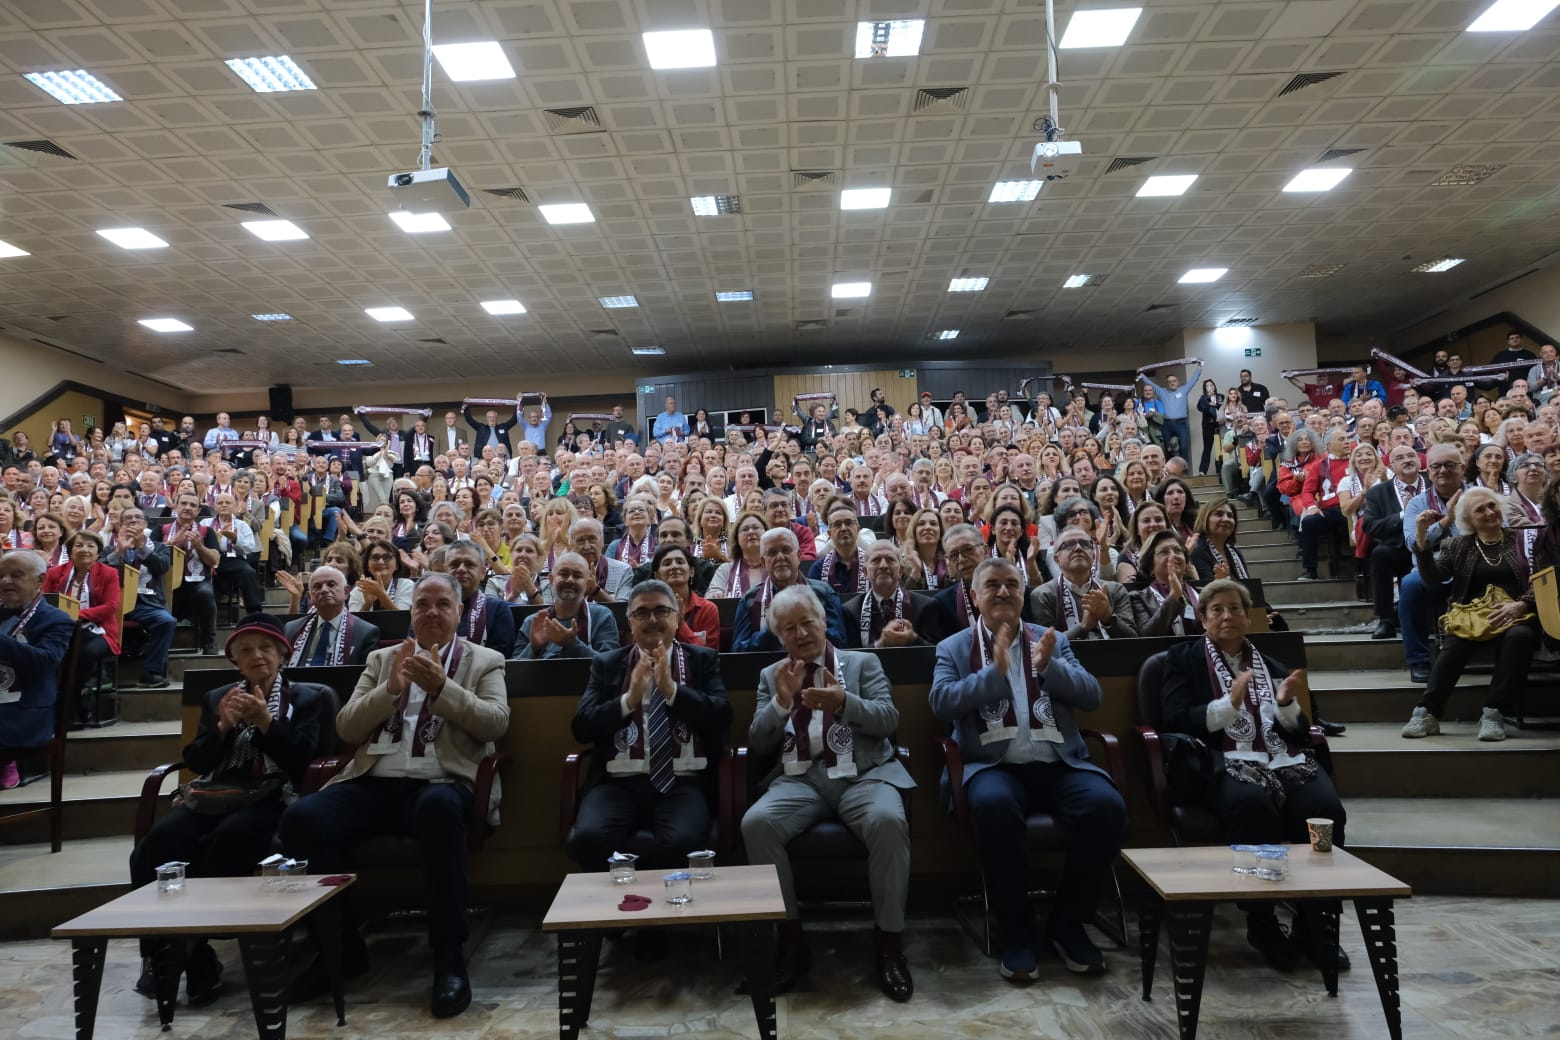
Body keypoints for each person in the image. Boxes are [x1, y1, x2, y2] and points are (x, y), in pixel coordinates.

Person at [277, 572, 510, 1019]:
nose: (432, 613)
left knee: (439, 810)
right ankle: (340, 950)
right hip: (374, 780)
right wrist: (391, 689)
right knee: (302, 819)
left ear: (459, 612)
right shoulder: (383, 659)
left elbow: (495, 723)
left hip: (442, 781)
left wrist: (442, 687)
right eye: (423, 604)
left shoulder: (485, 660)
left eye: (443, 604)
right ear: (411, 612)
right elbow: (346, 727)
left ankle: (448, 957)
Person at [930, 557, 1126, 980]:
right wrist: (994, 673)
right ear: (974, 595)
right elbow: (941, 702)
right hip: (992, 767)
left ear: (1023, 593)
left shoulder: (1049, 638)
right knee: (994, 807)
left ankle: (1067, 923)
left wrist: (1046, 666)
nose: (1003, 592)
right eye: (993, 585)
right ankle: (1017, 932)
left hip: (1059, 762)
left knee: (1107, 808)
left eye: (1012, 585)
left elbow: (1091, 696)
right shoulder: (953, 646)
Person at [127, 613, 330, 1004]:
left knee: (231, 838)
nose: (257, 657)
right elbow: (198, 762)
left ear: (283, 655)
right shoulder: (219, 697)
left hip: (272, 793)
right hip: (216, 793)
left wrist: (268, 724)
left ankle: (188, 944)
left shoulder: (309, 697)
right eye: (246, 651)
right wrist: (221, 728)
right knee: (155, 847)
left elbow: (305, 763)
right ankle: (176, 957)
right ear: (234, 661)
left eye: (267, 648)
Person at [1156, 578, 1347, 972]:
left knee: (1325, 811)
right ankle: (1262, 921)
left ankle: (1316, 923)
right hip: (1223, 760)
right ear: (1203, 618)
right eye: (1217, 610)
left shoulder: (1271, 665)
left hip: (1282, 761)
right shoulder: (1182, 659)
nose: (1228, 616)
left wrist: (1287, 705)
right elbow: (1174, 720)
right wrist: (1227, 705)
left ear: (1248, 616)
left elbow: (1299, 731)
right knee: (1252, 807)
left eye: (1235, 609)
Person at [740, 584, 915, 1001]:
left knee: (889, 822)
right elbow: (759, 743)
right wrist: (780, 705)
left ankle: (889, 945)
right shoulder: (772, 675)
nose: (800, 634)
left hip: (864, 774)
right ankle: (792, 942)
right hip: (801, 779)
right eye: (788, 629)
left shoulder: (862, 663)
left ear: (823, 622)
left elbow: (888, 720)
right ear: (779, 637)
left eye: (807, 623)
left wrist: (843, 702)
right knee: (756, 824)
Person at [566, 579, 731, 955]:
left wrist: (672, 691)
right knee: (588, 838)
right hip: (618, 781)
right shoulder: (607, 664)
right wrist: (629, 699)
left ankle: (655, 924)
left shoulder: (701, 660)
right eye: (642, 612)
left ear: (676, 618)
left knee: (684, 841)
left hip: (681, 779)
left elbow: (722, 716)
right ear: (629, 622)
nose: (652, 619)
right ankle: (624, 915)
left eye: (661, 611)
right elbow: (582, 725)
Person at [1402, 487, 1539, 743]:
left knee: (1520, 637)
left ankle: (1493, 713)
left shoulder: (1523, 539)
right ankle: (1427, 712)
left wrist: (1521, 605)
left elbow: (1544, 577)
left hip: (1518, 614)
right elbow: (1433, 577)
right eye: (1480, 510)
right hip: (1471, 617)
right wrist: (1421, 536)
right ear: (1467, 520)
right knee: (1454, 645)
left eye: (1492, 505)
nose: (1489, 512)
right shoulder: (1456, 545)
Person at [0, 552, 75, 790]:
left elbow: (44, 661)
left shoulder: (56, 620)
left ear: (40, 580)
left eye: (16, 575)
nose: (5, 581)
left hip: (22, 713)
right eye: (1, 576)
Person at [1398, 443, 1466, 684]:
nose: (1443, 470)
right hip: (1433, 569)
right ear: (1428, 471)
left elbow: (1499, 533)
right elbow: (1411, 543)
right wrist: (1447, 520)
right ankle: (1418, 660)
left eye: (1450, 465)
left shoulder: (1480, 497)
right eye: (1436, 466)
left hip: (1475, 567)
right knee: (1410, 585)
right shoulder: (1417, 503)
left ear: (1463, 468)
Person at [42, 530, 121, 726]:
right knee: (54, 652)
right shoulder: (55, 573)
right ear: (69, 551)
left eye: (90, 546)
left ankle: (70, 702)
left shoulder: (109, 573)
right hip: (61, 630)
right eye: (78, 545)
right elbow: (44, 602)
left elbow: (111, 606)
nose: (84, 549)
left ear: (98, 552)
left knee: (83, 653)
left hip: (99, 631)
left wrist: (75, 615)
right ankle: (67, 704)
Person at [730, 527, 847, 652]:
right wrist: (772, 632)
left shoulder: (823, 592)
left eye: (786, 550)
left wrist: (807, 627)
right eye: (772, 552)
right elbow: (738, 651)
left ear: (799, 556)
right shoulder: (750, 599)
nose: (780, 557)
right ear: (763, 562)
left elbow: (840, 641)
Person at [105, 508, 176, 689]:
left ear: (145, 524)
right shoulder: (108, 548)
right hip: (113, 604)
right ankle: (103, 675)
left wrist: (141, 548)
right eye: (128, 518)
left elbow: (161, 567)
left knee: (166, 621)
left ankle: (151, 673)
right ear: (120, 525)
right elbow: (100, 572)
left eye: (138, 518)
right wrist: (119, 552)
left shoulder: (160, 547)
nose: (133, 521)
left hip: (146, 603)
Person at [1029, 527, 1136, 639]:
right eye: (1069, 544)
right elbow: (1045, 645)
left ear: (1094, 557)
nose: (1078, 548)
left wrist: (1108, 618)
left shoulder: (1115, 590)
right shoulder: (1043, 594)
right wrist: (1082, 627)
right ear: (1057, 559)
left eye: (1085, 544)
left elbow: (1133, 640)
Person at [513, 551, 620, 659]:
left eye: (577, 575)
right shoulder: (533, 623)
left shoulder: (601, 616)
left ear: (587, 584)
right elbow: (513, 672)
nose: (570, 580)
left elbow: (610, 666)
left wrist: (572, 644)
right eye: (563, 574)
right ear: (551, 579)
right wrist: (533, 647)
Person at [156, 491, 221, 656]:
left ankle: (208, 641)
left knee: (206, 592)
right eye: (184, 503)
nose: (187, 507)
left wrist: (200, 546)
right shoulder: (161, 530)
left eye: (193, 505)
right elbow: (151, 557)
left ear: (198, 511)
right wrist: (173, 543)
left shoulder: (207, 531)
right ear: (176, 507)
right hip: (166, 581)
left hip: (197, 581)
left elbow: (214, 559)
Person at [843, 540, 938, 648]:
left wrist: (913, 639)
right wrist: (880, 644)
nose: (883, 565)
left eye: (890, 560)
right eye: (876, 560)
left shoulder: (925, 606)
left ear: (901, 571)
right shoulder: (851, 610)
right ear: (865, 572)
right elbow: (850, 656)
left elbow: (936, 652)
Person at [282, 566, 382, 667]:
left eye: (331, 584)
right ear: (309, 597)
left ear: (346, 592)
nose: (324, 590)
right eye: (317, 586)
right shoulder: (292, 629)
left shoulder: (365, 632)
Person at [437, 541, 517, 656]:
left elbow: (501, 659)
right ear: (445, 571)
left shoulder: (497, 609)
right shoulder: (428, 609)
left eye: (469, 564)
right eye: (454, 564)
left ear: (483, 573)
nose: (461, 569)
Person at [1129, 530, 1202, 636]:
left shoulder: (1203, 594)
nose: (1173, 556)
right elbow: (1147, 637)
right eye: (1164, 552)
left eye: (1178, 550)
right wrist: (1173, 597)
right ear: (1150, 567)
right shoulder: (1139, 598)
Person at [650, 544, 719, 649]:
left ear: (691, 571)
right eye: (667, 563)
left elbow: (709, 654)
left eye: (680, 562)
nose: (674, 566)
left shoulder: (707, 609)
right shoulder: (649, 608)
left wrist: (681, 624)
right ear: (657, 576)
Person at [807, 500, 868, 597]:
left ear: (858, 529)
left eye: (848, 523)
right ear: (829, 534)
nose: (843, 528)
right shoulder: (818, 568)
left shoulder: (872, 564)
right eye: (837, 524)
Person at [932, 523, 986, 634]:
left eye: (967, 549)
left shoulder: (1011, 590)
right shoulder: (943, 603)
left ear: (985, 550)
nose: (961, 559)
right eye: (954, 555)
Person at [351, 536, 416, 611]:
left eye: (387, 557)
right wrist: (367, 604)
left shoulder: (406, 586)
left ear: (397, 565)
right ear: (367, 566)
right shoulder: (358, 590)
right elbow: (353, 622)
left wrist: (381, 595)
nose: (381, 562)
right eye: (375, 557)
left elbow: (402, 620)